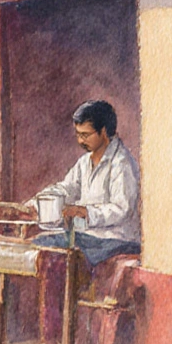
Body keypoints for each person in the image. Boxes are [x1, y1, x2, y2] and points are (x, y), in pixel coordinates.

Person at [30, 100, 140, 266]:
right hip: (87, 237)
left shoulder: (122, 163)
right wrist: (36, 203)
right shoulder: (84, 162)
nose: (80, 140)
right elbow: (67, 188)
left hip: (115, 239)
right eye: (78, 134)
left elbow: (122, 208)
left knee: (64, 258)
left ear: (103, 132)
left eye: (85, 135)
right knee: (40, 245)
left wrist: (85, 212)